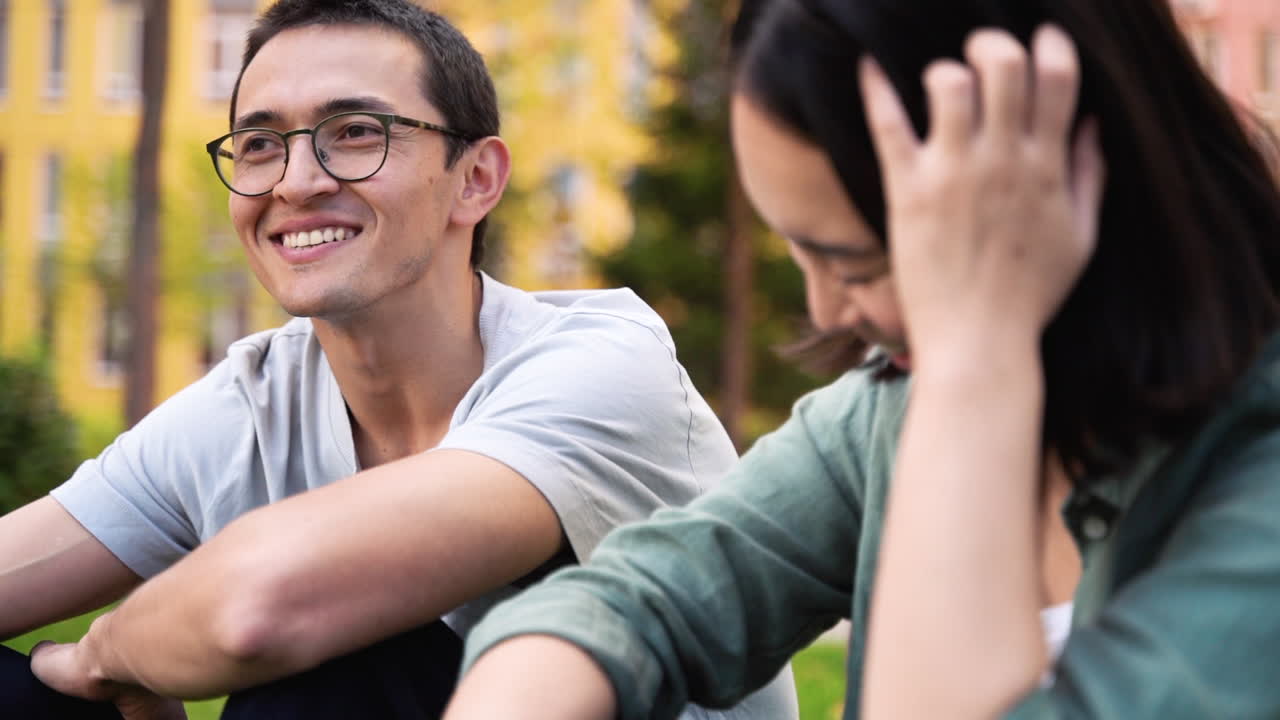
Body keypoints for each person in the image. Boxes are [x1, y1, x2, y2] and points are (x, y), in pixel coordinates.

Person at [441, 0, 1280, 718]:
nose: (824, 310)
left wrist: (974, 353)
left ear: (1052, 189)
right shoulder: (892, 415)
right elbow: (646, 598)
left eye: (857, 264)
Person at [0, 1, 799, 718]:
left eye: (356, 132)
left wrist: (99, 657)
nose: (298, 180)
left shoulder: (602, 368)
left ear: (476, 179)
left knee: (345, 663)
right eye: (259, 144)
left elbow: (262, 608)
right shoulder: (252, 402)